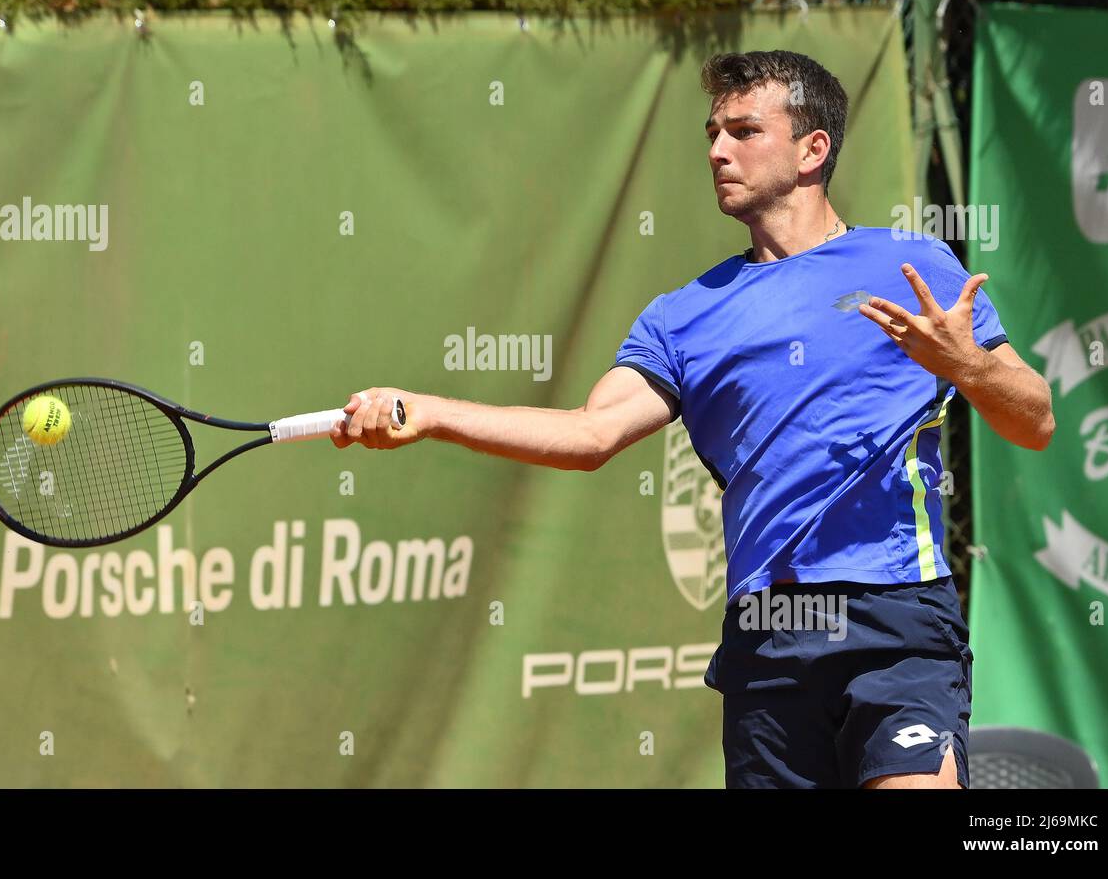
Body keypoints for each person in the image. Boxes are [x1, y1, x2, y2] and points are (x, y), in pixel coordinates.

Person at [329, 50, 1054, 789]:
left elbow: (1035, 421)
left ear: (813, 149)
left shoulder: (912, 266)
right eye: (711, 131)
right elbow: (590, 435)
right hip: (767, 637)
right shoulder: (683, 318)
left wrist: (970, 366)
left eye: (743, 130)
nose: (715, 149)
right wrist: (431, 411)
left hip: (895, 620)